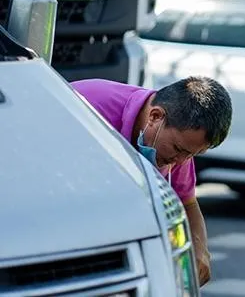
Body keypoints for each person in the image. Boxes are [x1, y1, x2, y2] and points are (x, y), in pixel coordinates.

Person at [71, 76, 232, 287]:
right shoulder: (86, 108)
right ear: (155, 116)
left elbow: (187, 202)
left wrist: (200, 249)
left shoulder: (178, 140)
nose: (181, 162)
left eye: (191, 155)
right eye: (178, 150)